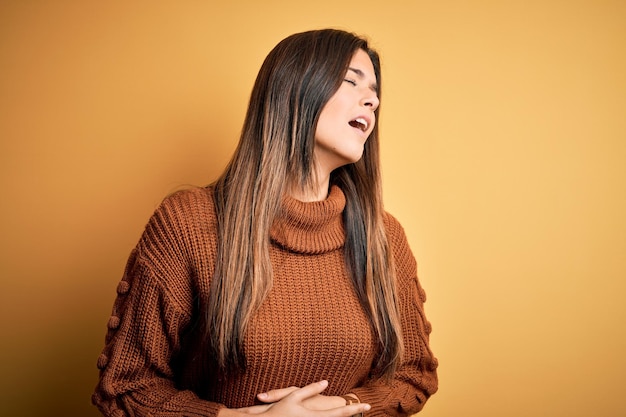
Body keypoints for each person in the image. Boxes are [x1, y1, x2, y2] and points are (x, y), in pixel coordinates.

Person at [92, 28, 438, 417]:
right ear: (294, 90)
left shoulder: (384, 237)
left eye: (375, 92)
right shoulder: (187, 224)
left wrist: (346, 407)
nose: (373, 100)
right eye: (350, 81)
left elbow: (413, 373)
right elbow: (126, 387)